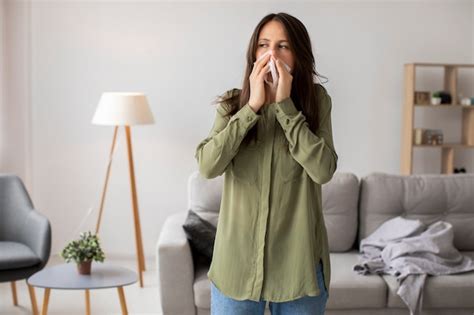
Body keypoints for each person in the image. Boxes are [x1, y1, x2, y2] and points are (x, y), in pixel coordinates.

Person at [194, 12, 338, 315]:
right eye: (264, 45)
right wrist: (251, 108)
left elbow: (323, 170)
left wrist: (285, 107)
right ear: (254, 53)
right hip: (236, 267)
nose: (272, 54)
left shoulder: (317, 102)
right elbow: (208, 166)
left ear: (298, 55)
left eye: (283, 46)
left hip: (299, 268)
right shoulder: (232, 105)